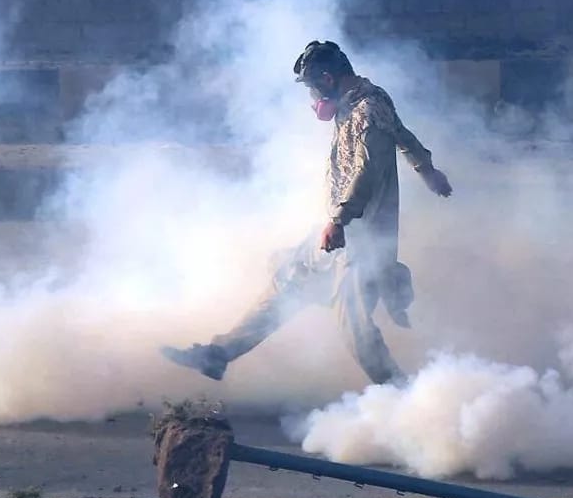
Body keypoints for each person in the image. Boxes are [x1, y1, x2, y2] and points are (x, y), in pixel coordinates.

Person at [161, 40, 453, 385]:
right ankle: (219, 354)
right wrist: (427, 170)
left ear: (328, 79)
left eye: (313, 86)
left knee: (355, 327)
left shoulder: (367, 110)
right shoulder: (357, 102)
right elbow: (404, 136)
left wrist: (339, 220)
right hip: (342, 228)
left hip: (362, 237)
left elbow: (367, 173)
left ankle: (404, 395)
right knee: (289, 281)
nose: (312, 96)